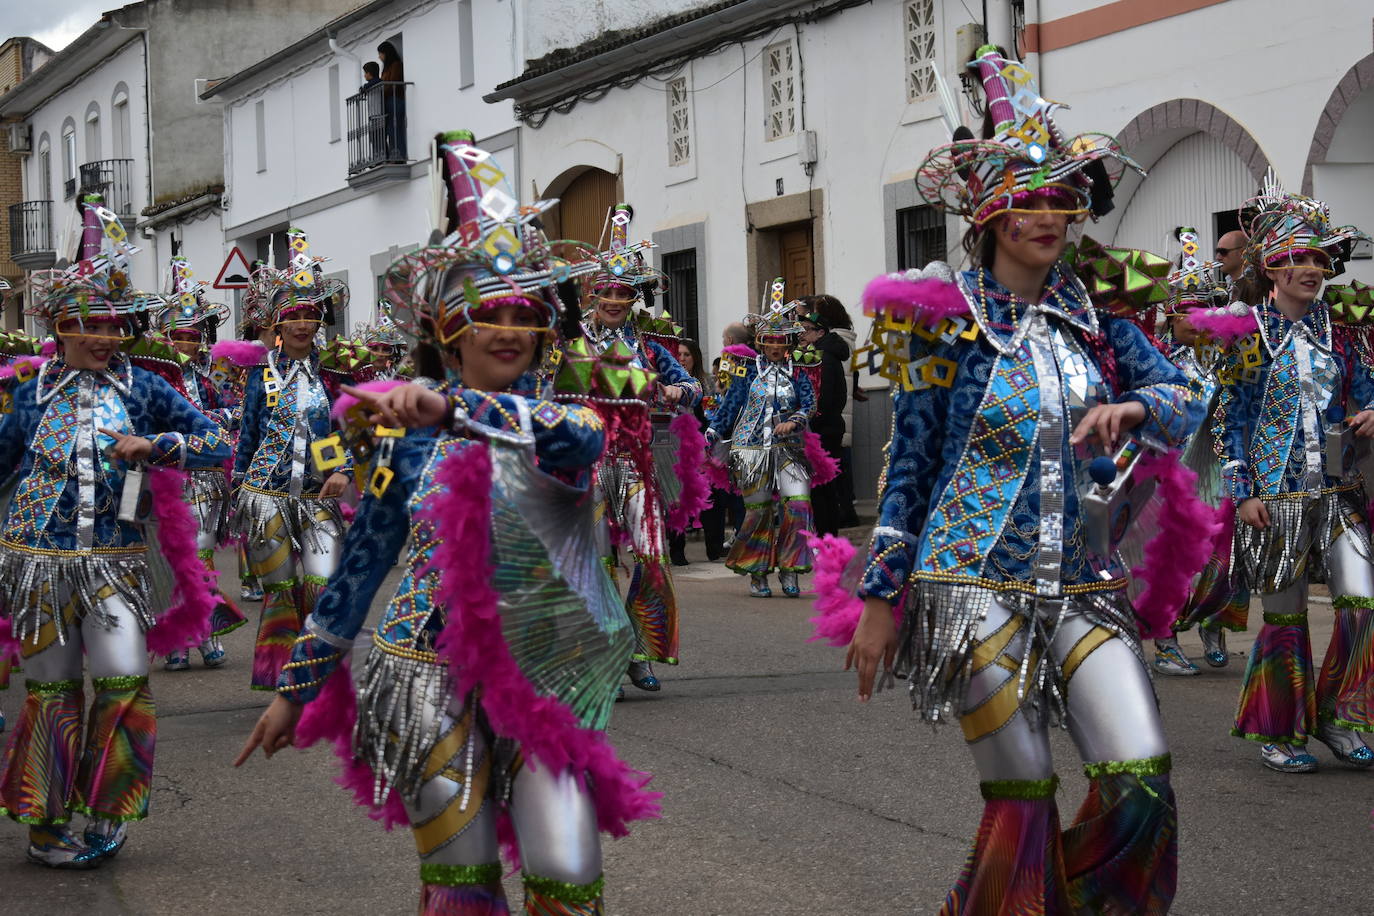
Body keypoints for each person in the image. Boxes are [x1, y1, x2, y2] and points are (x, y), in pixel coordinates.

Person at [236, 131, 654, 913]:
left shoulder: (562, 419)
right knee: (460, 886)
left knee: (568, 876)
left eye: (524, 311)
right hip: (425, 673)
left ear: (545, 329)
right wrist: (296, 691)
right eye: (484, 311)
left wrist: (453, 406)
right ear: (446, 331)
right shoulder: (404, 437)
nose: (507, 327)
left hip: (544, 672)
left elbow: (577, 441)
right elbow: (362, 564)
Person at [845, 47, 1200, 913]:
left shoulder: (1096, 318)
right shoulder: (945, 326)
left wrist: (1137, 410)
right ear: (992, 216)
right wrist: (881, 597)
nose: (1048, 217)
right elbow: (909, 469)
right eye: (1029, 201)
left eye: (1062, 201)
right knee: (1026, 795)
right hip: (972, 587)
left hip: (1085, 583)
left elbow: (1187, 394)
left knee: (1141, 779)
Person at [0, 198, 231, 868]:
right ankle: (45, 822)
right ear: (60, 327)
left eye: (113, 324)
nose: (102, 336)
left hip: (116, 565)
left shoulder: (145, 388)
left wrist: (156, 445)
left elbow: (216, 444)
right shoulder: (32, 393)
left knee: (124, 677)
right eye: (86, 324)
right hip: (37, 563)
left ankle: (108, 809)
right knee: (50, 689)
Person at [1214, 174, 1374, 774]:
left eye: (1318, 258)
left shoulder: (1341, 332)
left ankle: (1341, 717)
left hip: (1339, 494)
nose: (1312, 268)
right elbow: (1229, 417)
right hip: (1276, 498)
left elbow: (1365, 389)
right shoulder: (1247, 334)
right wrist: (1242, 491)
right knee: (1284, 618)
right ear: (1275, 268)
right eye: (1299, 258)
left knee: (1363, 602)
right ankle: (1279, 730)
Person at [569, 203, 702, 693]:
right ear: (594, 293)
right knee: (599, 564)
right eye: (607, 291)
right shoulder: (572, 341)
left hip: (637, 465)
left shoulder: (649, 345)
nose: (616, 300)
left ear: (634, 298)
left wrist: (674, 392)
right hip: (587, 466)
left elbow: (692, 385)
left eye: (625, 293)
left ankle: (639, 651)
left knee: (651, 557)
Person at [231, 230, 354, 692]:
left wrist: (342, 470)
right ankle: (282, 673)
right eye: (293, 316)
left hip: (318, 497)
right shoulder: (260, 373)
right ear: (277, 324)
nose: (303, 324)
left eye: (310, 314)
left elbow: (340, 433)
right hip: (266, 497)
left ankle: (320, 673)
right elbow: (249, 434)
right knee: (281, 593)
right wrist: (239, 490)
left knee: (323, 585)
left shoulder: (333, 373)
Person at [1150, 227, 1248, 674]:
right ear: (1171, 316)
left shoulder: (1228, 354)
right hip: (1173, 472)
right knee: (1173, 555)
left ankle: (1214, 622)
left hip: (1218, 468)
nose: (1197, 320)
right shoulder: (1155, 357)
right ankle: (1166, 638)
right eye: (1188, 312)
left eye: (1205, 311)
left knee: (1225, 553)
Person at [147, 255, 248, 672]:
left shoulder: (211, 378)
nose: (184, 344)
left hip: (206, 481)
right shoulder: (152, 380)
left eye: (191, 336)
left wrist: (220, 421)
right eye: (177, 335)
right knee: (174, 558)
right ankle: (178, 639)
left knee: (201, 558)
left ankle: (202, 633)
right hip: (170, 481)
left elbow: (234, 410)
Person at [708, 282, 818, 598]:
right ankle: (758, 574)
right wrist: (713, 431)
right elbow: (730, 406)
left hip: (790, 450)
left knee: (798, 506)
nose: (774, 346)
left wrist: (796, 420)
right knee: (758, 513)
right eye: (768, 340)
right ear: (760, 342)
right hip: (750, 450)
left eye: (780, 341)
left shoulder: (800, 373)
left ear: (789, 343)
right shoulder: (746, 371)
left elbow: (808, 404)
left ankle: (790, 571)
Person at [799, 299, 850, 536]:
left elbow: (825, 399)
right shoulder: (821, 354)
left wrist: (810, 423)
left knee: (822, 488)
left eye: (807, 330)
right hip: (825, 428)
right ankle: (826, 535)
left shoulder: (824, 358)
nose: (803, 334)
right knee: (823, 487)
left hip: (824, 431)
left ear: (820, 332)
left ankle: (826, 536)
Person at [667, 338, 714, 565]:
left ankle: (714, 548)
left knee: (704, 493)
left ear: (695, 357)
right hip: (669, 445)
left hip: (696, 445)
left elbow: (706, 418)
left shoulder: (703, 384)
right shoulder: (665, 383)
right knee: (674, 497)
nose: (682, 359)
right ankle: (677, 549)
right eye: (679, 355)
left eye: (686, 355)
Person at [378, 41, 406, 161]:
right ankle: (394, 155)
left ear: (387, 53)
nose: (379, 57)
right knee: (390, 129)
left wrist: (381, 91)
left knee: (395, 127)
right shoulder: (385, 69)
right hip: (388, 100)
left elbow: (393, 82)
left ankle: (400, 155)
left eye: (381, 53)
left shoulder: (396, 65)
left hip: (395, 100)